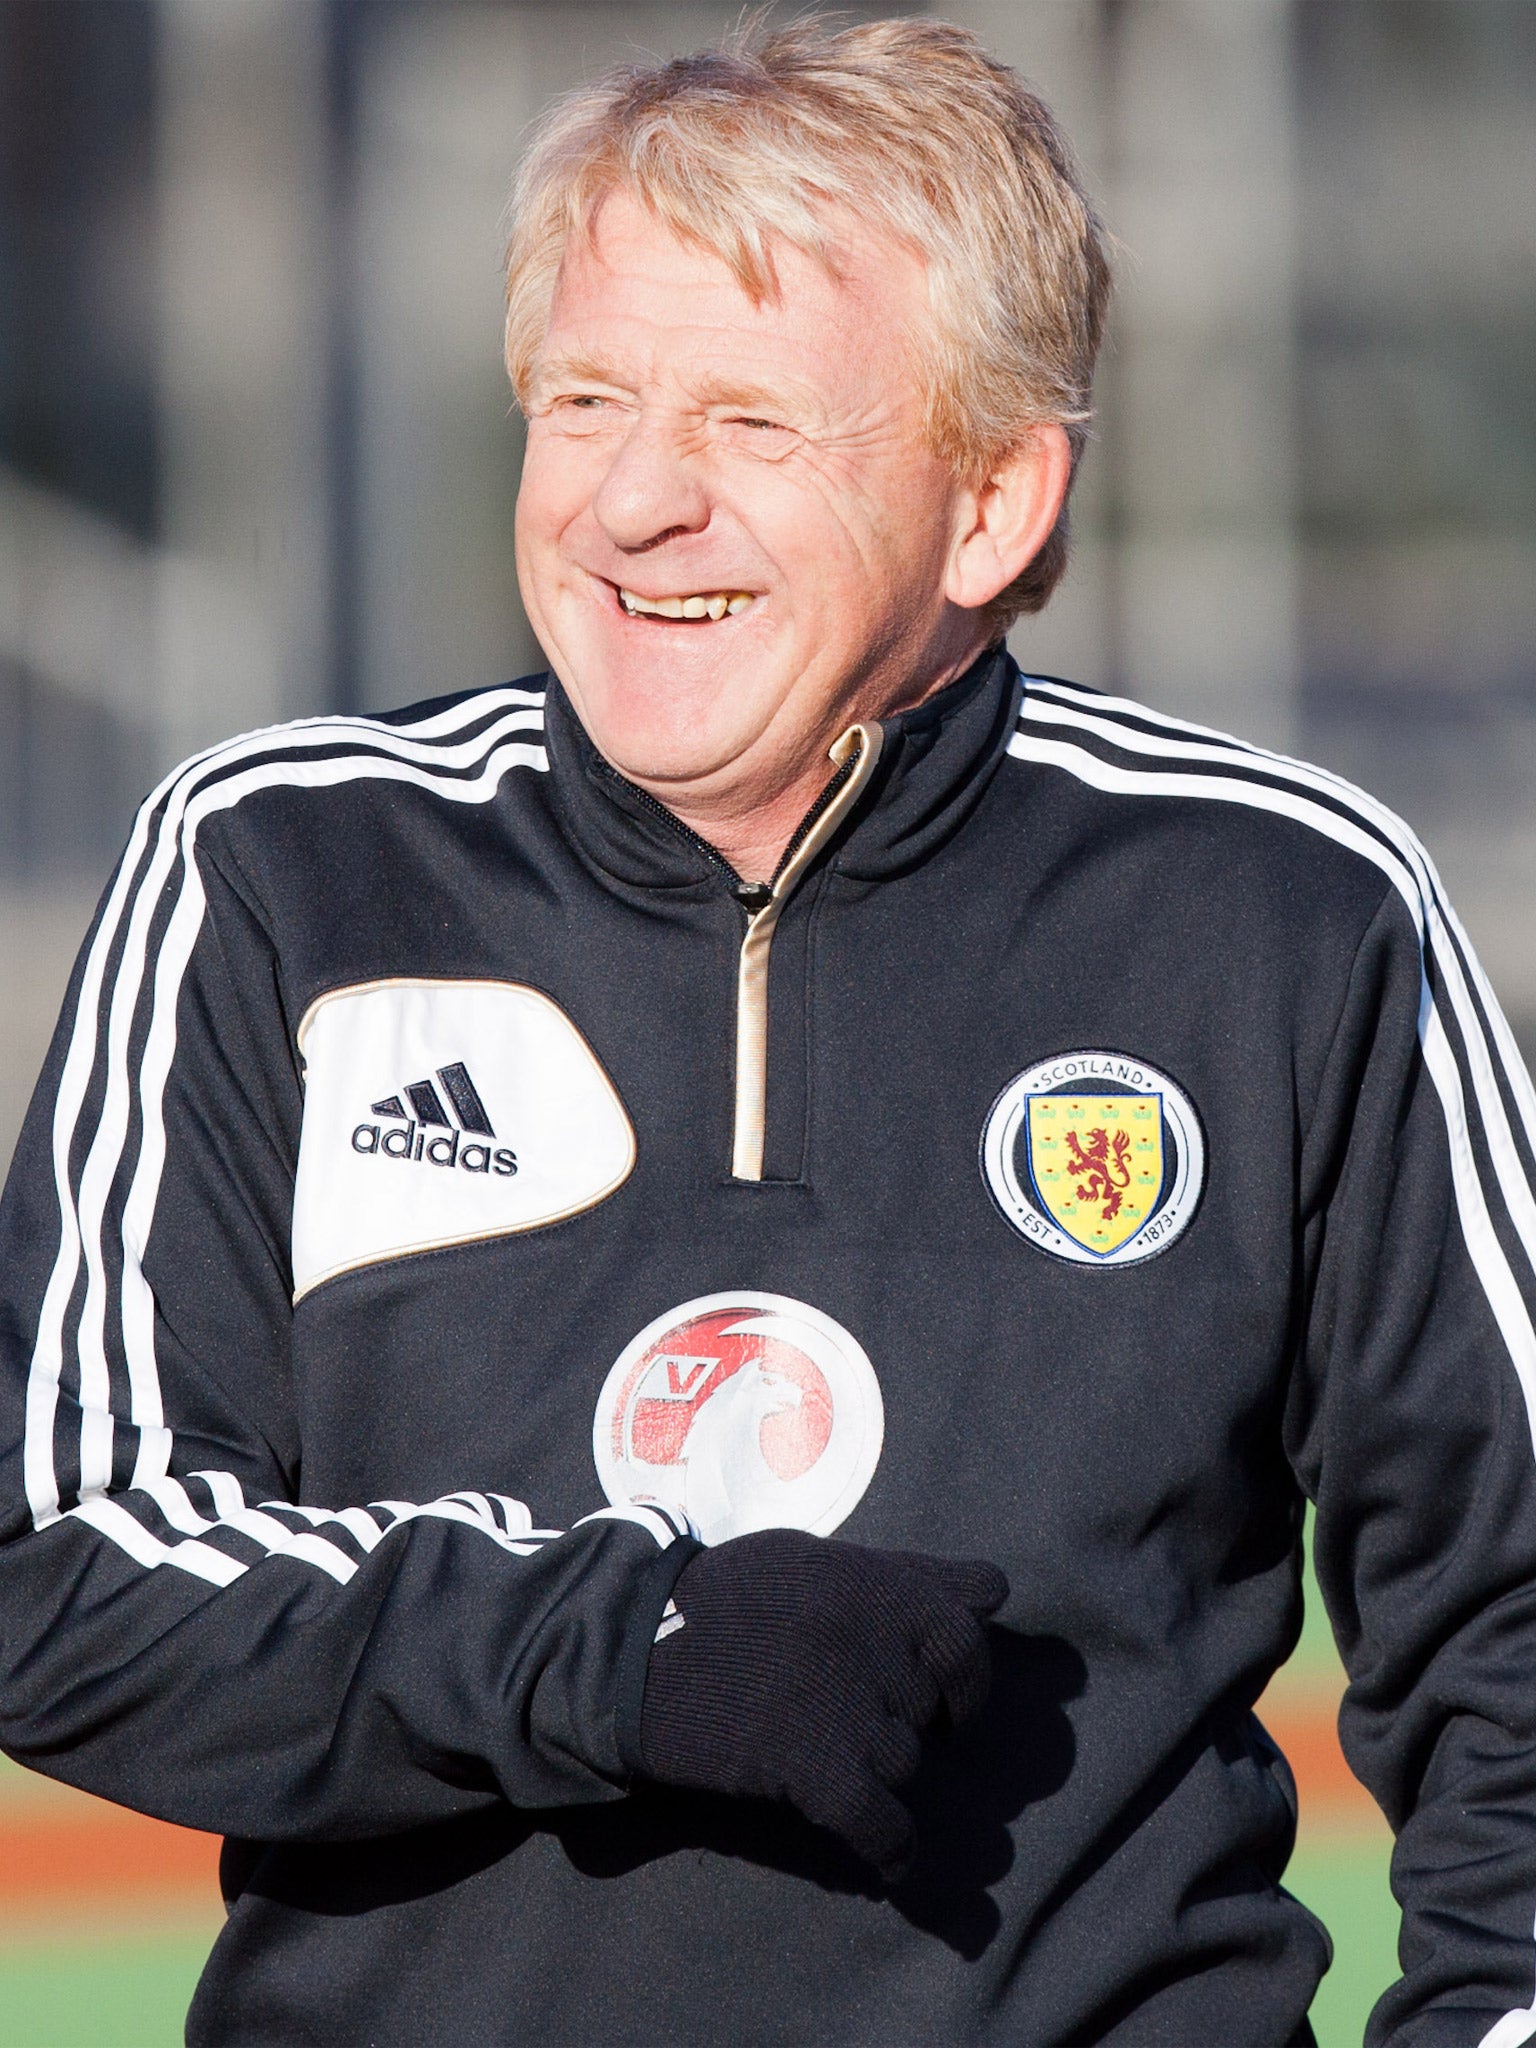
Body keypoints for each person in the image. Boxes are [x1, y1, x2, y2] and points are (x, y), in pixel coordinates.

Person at [1, 16, 1534, 2046]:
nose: (636, 501)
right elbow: (60, 1568)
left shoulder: (1287, 910)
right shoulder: (279, 871)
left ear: (993, 500)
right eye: (587, 399)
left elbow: (1512, 1615)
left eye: (749, 423)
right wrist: (624, 1646)